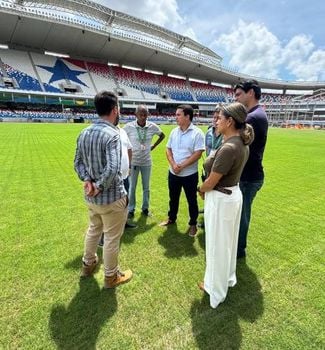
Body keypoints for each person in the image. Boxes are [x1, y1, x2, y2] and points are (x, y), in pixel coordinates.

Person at [197, 102, 254, 308]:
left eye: (220, 118)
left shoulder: (229, 147)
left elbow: (211, 181)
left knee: (217, 246)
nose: (216, 121)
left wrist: (200, 189)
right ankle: (226, 280)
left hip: (222, 198)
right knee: (226, 244)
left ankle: (215, 289)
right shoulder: (238, 142)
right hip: (230, 195)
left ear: (230, 121)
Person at [74, 91, 132, 288]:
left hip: (92, 198)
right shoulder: (113, 134)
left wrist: (88, 181)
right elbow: (113, 167)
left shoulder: (84, 132)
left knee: (93, 230)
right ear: (115, 110)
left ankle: (87, 265)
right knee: (112, 238)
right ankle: (110, 276)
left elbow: (77, 163)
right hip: (111, 197)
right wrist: (97, 186)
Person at [234, 80, 268, 258]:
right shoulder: (255, 114)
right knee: (240, 213)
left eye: (239, 94)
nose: (236, 98)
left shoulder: (253, 117)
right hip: (249, 174)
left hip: (248, 176)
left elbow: (236, 144)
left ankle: (238, 250)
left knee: (242, 215)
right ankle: (237, 248)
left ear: (251, 93)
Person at [159, 105, 205, 237]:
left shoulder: (197, 133)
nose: (176, 117)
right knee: (173, 198)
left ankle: (193, 224)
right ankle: (171, 218)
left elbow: (198, 153)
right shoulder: (174, 132)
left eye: (179, 114)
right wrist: (173, 165)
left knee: (192, 200)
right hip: (173, 172)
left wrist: (182, 166)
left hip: (189, 174)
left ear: (187, 116)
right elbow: (168, 149)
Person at [124, 105, 165, 217]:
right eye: (141, 114)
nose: (143, 117)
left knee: (146, 187)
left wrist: (153, 146)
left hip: (146, 162)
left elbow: (162, 135)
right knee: (132, 187)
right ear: (135, 115)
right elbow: (121, 138)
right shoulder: (128, 127)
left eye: (145, 114)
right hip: (133, 162)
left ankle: (145, 208)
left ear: (148, 115)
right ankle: (131, 209)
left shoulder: (152, 126)